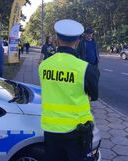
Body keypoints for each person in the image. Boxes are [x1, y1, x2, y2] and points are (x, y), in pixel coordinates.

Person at [39, 19, 99, 161]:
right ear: (78, 41)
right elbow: (94, 96)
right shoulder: (86, 68)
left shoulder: (44, 65)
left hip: (50, 129)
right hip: (77, 130)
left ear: (57, 40)